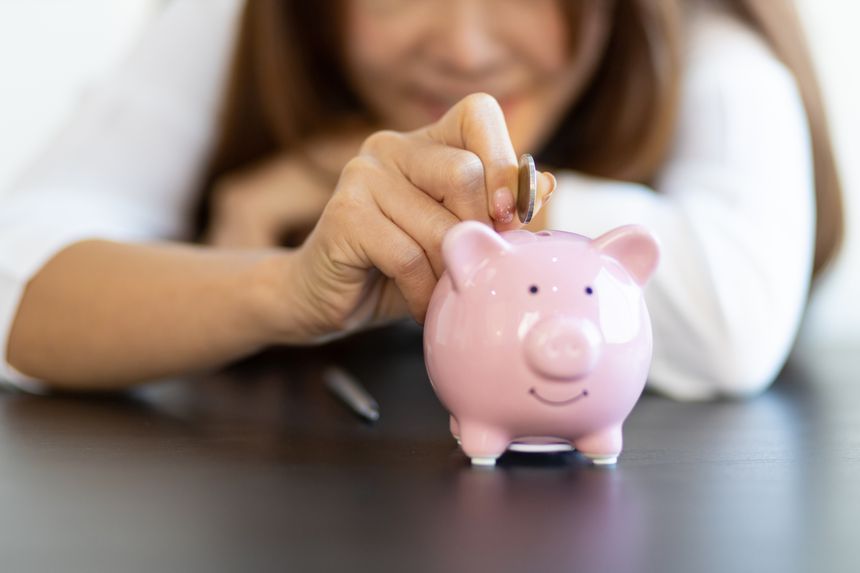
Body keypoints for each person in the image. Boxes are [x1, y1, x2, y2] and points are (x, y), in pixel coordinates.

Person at [0, 0, 843, 400]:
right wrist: (282, 289)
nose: (465, 47)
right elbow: (16, 273)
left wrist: (425, 182)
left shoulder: (704, 46)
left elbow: (738, 317)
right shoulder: (237, 22)